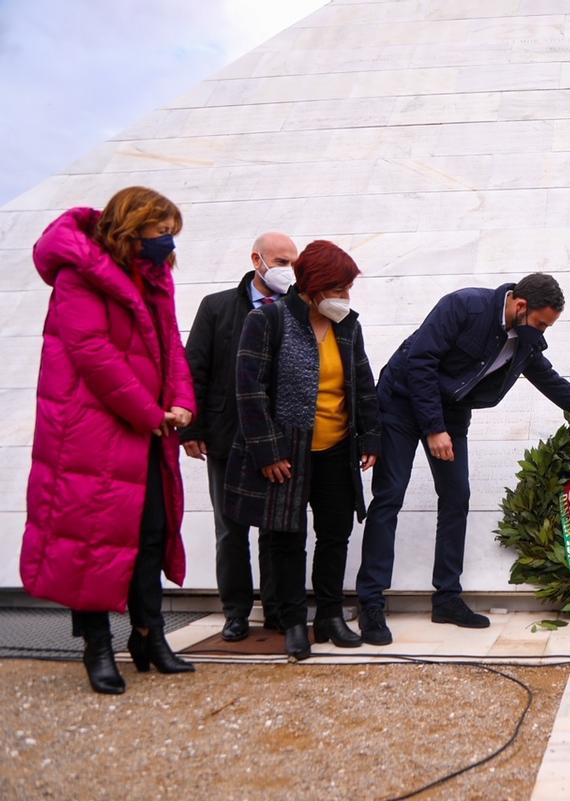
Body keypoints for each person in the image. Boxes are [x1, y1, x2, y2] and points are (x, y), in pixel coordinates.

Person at [21, 187, 197, 694]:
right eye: (161, 232)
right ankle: (97, 646)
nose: (167, 242)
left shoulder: (154, 278)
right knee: (92, 540)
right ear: (132, 226)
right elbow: (92, 353)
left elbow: (171, 345)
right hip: (91, 434)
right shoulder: (79, 277)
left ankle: (149, 634)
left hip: (146, 428)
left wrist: (181, 402)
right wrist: (150, 412)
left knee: (149, 532)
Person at [355, 273, 570, 643]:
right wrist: (434, 428)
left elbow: (548, 379)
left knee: (456, 498)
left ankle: (447, 598)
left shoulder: (524, 342)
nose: (544, 332)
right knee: (390, 495)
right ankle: (371, 602)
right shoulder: (464, 306)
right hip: (401, 402)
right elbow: (420, 361)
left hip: (451, 412)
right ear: (519, 305)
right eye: (542, 322)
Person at [224, 240, 380, 661]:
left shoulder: (348, 326)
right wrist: (268, 451)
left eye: (348, 289)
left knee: (335, 534)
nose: (345, 298)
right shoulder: (269, 320)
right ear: (312, 287)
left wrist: (369, 438)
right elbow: (249, 389)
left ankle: (330, 615)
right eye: (339, 289)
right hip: (287, 451)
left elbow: (362, 384)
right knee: (285, 539)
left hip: (336, 448)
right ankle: (293, 622)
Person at [181, 232, 298, 642]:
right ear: (257, 259)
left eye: (292, 263)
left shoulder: (293, 310)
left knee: (273, 527)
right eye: (280, 261)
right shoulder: (216, 308)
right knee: (230, 528)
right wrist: (191, 428)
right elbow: (193, 366)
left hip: (275, 437)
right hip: (224, 436)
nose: (288, 270)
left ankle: (276, 608)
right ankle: (235, 611)